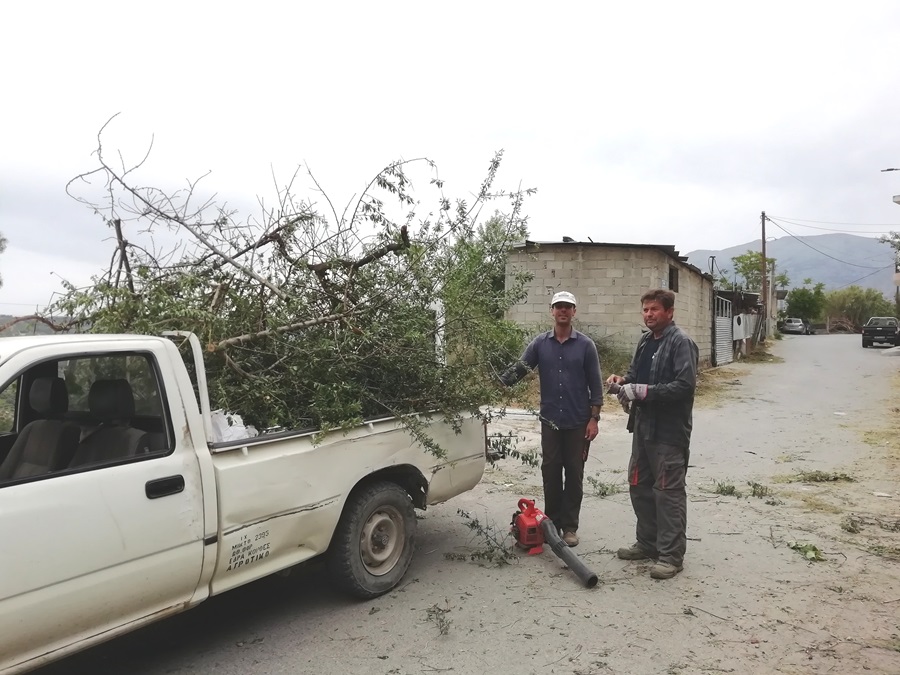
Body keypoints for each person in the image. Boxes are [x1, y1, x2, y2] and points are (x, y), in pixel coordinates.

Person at [606, 289, 698, 579]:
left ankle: (671, 556)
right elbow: (635, 376)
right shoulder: (645, 341)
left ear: (669, 312)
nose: (648, 314)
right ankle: (648, 543)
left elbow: (685, 386)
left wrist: (643, 392)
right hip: (643, 428)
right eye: (645, 309)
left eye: (654, 309)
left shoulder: (681, 342)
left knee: (668, 493)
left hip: (669, 432)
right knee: (639, 486)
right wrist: (623, 381)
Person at [499, 291, 603, 547]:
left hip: (578, 422)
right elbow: (520, 368)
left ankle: (570, 527)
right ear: (552, 311)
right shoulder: (540, 344)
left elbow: (596, 384)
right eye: (559, 306)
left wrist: (594, 419)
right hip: (550, 422)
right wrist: (498, 381)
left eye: (567, 306)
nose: (563, 310)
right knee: (551, 472)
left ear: (574, 311)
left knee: (574, 474)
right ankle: (553, 524)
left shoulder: (585, 345)